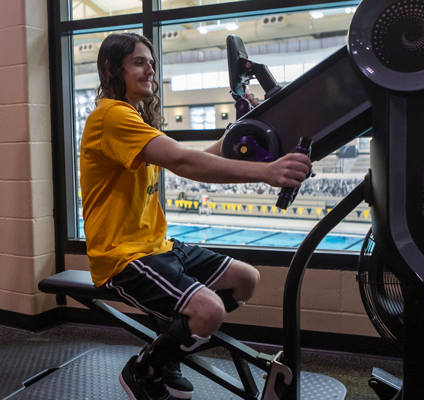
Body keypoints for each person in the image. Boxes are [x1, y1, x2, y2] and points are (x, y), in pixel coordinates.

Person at [79, 32, 312, 400]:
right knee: (208, 310)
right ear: (111, 69)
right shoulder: (111, 116)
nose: (149, 69)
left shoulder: (134, 119)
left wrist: (235, 133)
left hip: (157, 246)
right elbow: (183, 162)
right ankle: (146, 368)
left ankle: (172, 345)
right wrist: (267, 172)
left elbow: (194, 155)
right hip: (122, 257)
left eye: (151, 62)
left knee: (246, 280)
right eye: (139, 62)